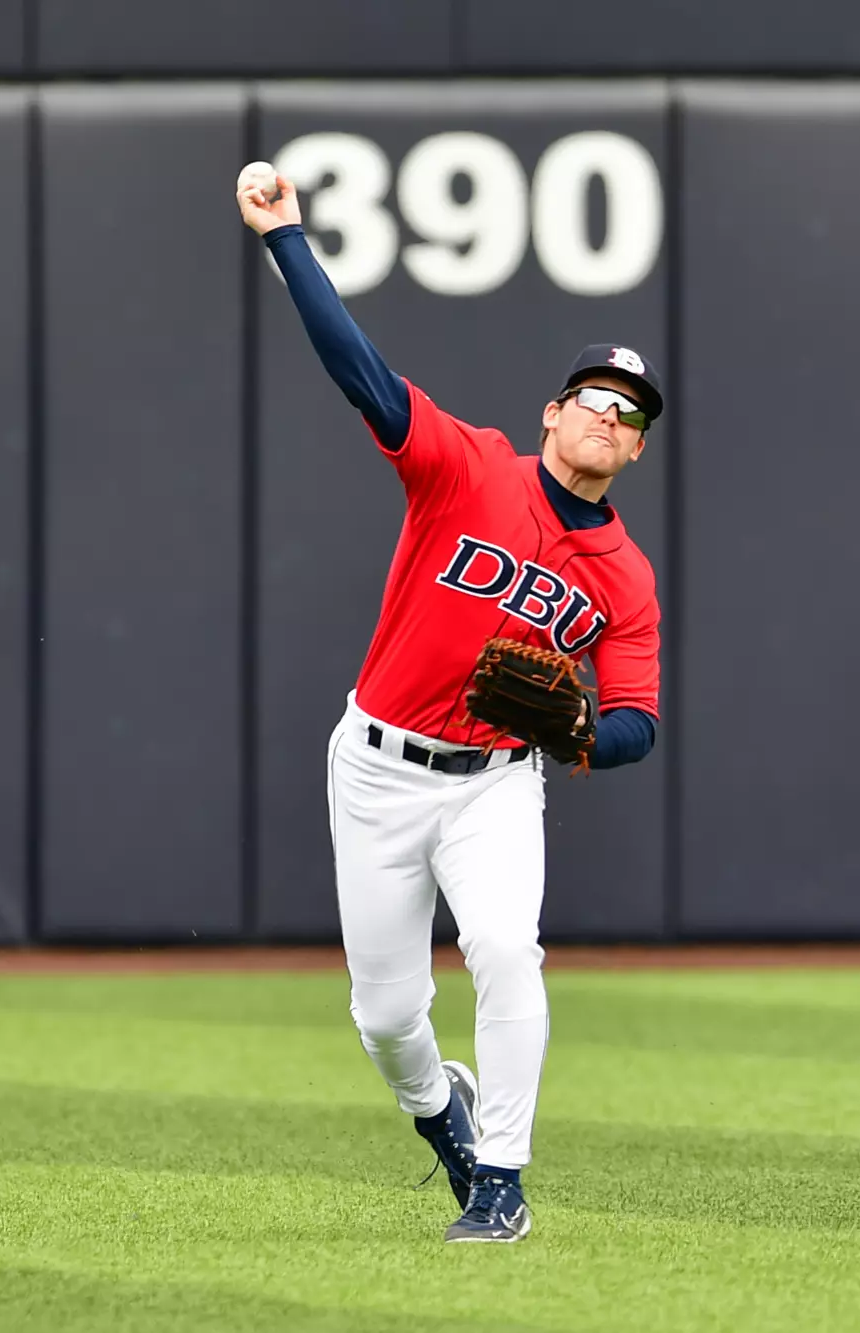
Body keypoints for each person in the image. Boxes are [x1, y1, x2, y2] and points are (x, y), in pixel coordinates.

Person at [236, 168, 664, 1244]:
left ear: (637, 448)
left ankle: (503, 1182)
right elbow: (361, 375)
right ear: (552, 414)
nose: (607, 420)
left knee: (506, 953)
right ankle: (449, 1132)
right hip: (376, 765)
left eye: (629, 416)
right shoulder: (466, 467)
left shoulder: (624, 579)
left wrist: (577, 737)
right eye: (594, 401)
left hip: (492, 786)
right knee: (383, 1016)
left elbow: (638, 724)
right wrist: (287, 238)